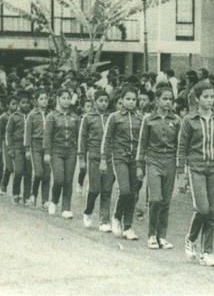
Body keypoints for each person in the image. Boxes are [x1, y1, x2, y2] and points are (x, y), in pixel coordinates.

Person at [178, 80, 214, 267]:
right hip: (196, 167)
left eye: (211, 97)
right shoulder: (189, 120)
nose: (209, 100)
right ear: (197, 98)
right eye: (205, 97)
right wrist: (181, 172)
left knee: (212, 212)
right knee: (203, 208)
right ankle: (191, 238)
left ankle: (207, 252)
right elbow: (182, 147)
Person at [136, 85, 181, 249]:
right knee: (155, 199)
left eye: (170, 99)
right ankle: (152, 235)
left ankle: (162, 236)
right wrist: (139, 165)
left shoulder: (176, 120)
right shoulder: (148, 120)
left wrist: (181, 167)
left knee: (166, 201)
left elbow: (180, 146)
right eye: (164, 99)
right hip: (153, 160)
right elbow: (142, 144)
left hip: (169, 161)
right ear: (157, 100)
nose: (168, 102)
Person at [100, 85, 143, 240]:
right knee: (124, 190)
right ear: (121, 100)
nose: (131, 102)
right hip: (119, 157)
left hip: (135, 159)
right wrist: (103, 159)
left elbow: (143, 141)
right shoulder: (115, 117)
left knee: (133, 193)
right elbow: (107, 138)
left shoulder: (140, 118)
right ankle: (116, 217)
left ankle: (128, 227)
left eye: (134, 99)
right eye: (128, 99)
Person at [78, 91, 114, 233]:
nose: (103, 103)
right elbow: (82, 137)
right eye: (100, 100)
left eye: (106, 101)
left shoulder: (111, 117)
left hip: (109, 156)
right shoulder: (88, 118)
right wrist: (81, 157)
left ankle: (104, 220)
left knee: (106, 189)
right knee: (94, 188)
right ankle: (88, 211)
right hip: (93, 155)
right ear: (94, 102)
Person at [44, 88, 81, 219]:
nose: (66, 101)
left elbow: (79, 135)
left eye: (68, 98)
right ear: (58, 99)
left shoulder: (75, 117)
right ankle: (54, 200)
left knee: (68, 180)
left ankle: (66, 208)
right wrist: (47, 153)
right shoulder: (51, 116)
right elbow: (47, 135)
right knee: (59, 179)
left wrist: (79, 151)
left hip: (71, 151)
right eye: (63, 98)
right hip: (56, 151)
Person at [24, 89, 51, 210]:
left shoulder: (51, 114)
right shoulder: (31, 115)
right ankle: (33, 195)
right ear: (36, 101)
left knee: (47, 174)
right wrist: (27, 149)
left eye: (45, 98)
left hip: (48, 146)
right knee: (39, 172)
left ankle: (45, 200)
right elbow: (28, 133)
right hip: (35, 145)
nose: (44, 101)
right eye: (41, 99)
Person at [6, 92, 33, 206]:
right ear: (18, 103)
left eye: (27, 102)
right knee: (18, 171)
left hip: (29, 147)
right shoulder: (14, 116)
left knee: (28, 172)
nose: (25, 105)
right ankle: (16, 193)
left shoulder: (32, 115)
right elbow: (8, 132)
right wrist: (9, 148)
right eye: (23, 102)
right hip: (17, 146)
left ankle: (26, 196)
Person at [0, 96, 18, 195]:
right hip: (7, 144)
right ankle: (4, 184)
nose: (15, 106)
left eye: (16, 104)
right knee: (9, 167)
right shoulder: (3, 117)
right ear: (8, 105)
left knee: (18, 169)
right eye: (13, 104)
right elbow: (0, 133)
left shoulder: (19, 116)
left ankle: (16, 191)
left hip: (18, 144)